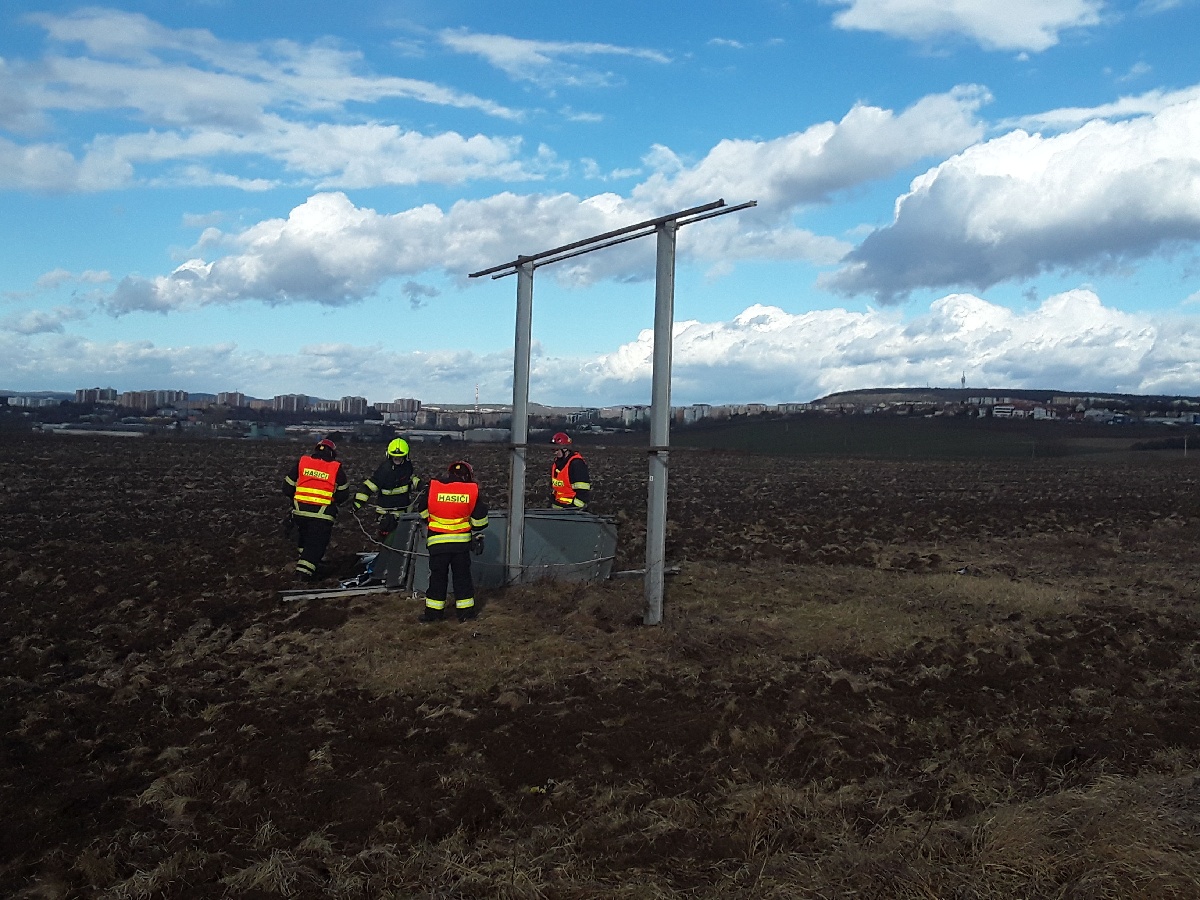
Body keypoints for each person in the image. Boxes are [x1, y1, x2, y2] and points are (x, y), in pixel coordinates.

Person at [416, 460, 489, 623]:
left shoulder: (434, 487)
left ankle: (433, 615)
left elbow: (422, 510)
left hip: (437, 543)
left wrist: (433, 521)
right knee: (462, 578)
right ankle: (466, 615)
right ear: (468, 476)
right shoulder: (471, 490)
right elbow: (480, 522)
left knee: (437, 578)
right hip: (461, 545)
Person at [283, 437, 349, 582]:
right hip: (322, 515)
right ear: (332, 453)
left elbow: (287, 487)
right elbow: (343, 495)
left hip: (299, 512)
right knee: (316, 544)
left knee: (304, 540)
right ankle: (303, 575)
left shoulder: (303, 462)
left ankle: (310, 564)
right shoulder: (335, 468)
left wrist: (297, 500)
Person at [351, 437, 421, 538]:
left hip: (404, 514)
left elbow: (411, 479)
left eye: (400, 457)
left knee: (403, 540)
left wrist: (422, 485)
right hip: (386, 514)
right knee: (387, 540)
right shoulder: (384, 470)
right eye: (395, 457)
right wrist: (356, 505)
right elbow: (369, 487)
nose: (397, 460)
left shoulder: (407, 467)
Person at [550, 431, 591, 510]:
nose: (555, 453)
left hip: (572, 510)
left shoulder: (576, 464)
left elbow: (583, 493)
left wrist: (572, 508)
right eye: (553, 450)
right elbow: (557, 489)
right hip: (558, 509)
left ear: (565, 449)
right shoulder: (557, 463)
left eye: (556, 450)